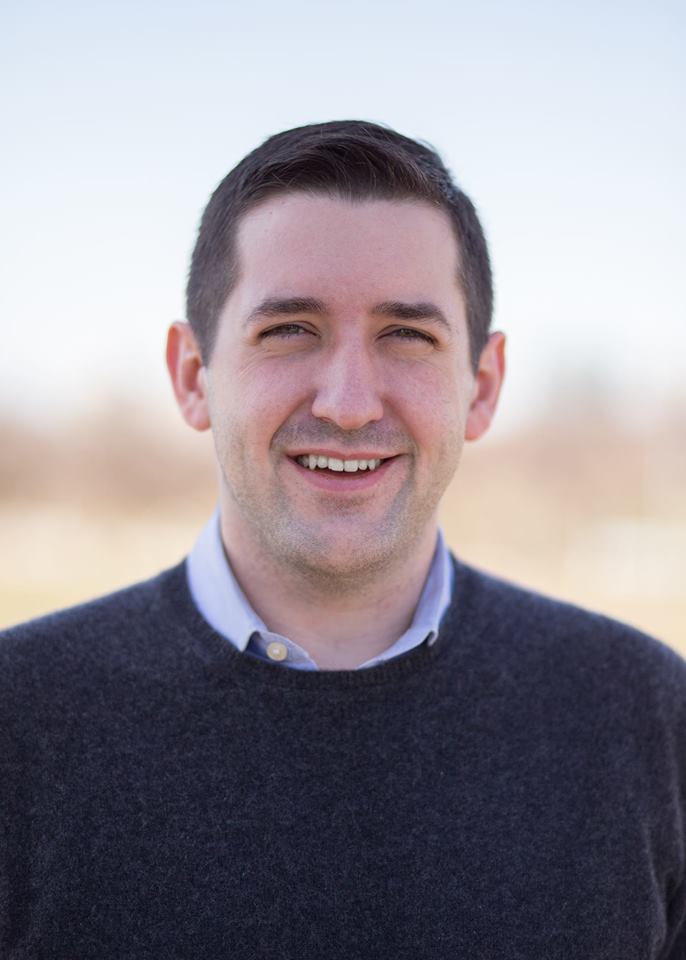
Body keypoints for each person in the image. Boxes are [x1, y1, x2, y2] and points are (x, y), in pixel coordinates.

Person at [1, 121, 684, 958]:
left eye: (408, 335)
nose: (351, 402)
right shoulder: (18, 723)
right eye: (290, 330)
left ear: (483, 385)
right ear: (192, 376)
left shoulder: (644, 714)